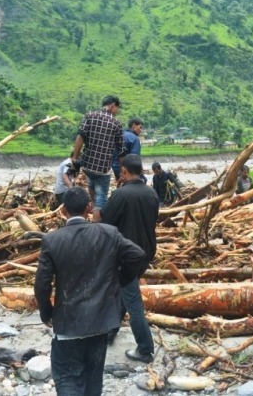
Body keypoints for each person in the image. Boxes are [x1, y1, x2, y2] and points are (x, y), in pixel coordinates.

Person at [34, 187, 144, 395]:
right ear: (89, 208)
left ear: (63, 210)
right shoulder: (108, 233)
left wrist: (46, 312)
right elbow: (137, 255)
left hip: (68, 323)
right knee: (93, 377)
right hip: (101, 322)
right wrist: (120, 280)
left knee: (66, 377)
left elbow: (42, 284)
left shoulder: (52, 240)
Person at [101, 154, 159, 363]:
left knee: (132, 299)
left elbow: (104, 220)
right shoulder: (151, 193)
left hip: (126, 255)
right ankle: (110, 330)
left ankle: (145, 348)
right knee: (123, 290)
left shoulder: (121, 195)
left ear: (124, 171)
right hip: (146, 252)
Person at [71, 95, 125, 221]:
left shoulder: (90, 116)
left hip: (87, 165)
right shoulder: (116, 124)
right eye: (117, 108)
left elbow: (80, 137)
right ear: (112, 106)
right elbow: (121, 151)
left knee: (92, 186)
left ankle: (94, 211)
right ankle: (97, 226)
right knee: (101, 200)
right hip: (103, 169)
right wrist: (122, 171)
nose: (117, 112)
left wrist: (74, 158)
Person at [112, 118, 143, 183]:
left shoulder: (119, 135)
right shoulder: (134, 139)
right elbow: (134, 158)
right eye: (140, 127)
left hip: (115, 168)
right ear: (134, 126)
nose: (141, 130)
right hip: (129, 171)